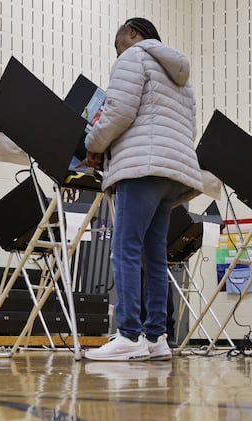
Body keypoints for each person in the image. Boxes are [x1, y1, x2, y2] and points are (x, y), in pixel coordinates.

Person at [83, 18, 203, 361]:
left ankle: (129, 334)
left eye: (117, 42)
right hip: (172, 173)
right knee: (154, 255)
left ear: (134, 34)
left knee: (125, 248)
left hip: (142, 167)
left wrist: (94, 143)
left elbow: (118, 111)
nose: (117, 50)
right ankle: (156, 338)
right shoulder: (182, 79)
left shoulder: (133, 57)